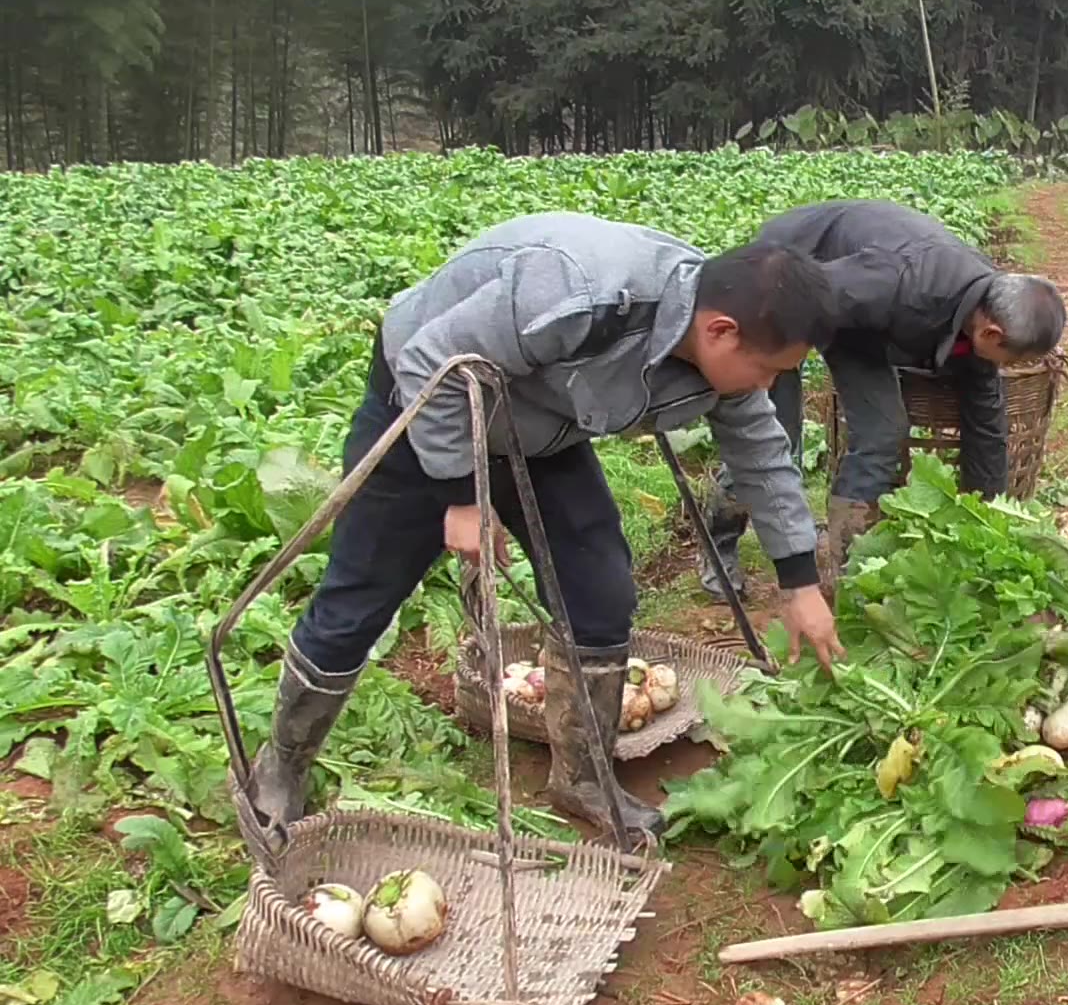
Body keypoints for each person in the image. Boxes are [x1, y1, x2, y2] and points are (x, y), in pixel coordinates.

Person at [246, 212, 846, 847]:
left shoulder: (724, 338)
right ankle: (280, 768)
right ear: (720, 332)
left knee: (600, 591)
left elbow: (759, 450)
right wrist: (462, 499)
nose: (772, 386)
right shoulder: (580, 293)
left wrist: (798, 580)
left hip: (541, 425)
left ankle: (583, 779)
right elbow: (432, 361)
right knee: (362, 591)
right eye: (773, 370)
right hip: (432, 403)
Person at [697, 198, 1068, 599]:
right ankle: (718, 545)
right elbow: (811, 298)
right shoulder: (904, 283)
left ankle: (845, 565)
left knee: (883, 429)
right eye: (1015, 358)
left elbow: (986, 427)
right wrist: (774, 365)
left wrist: (987, 523)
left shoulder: (977, 311)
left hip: (861, 316)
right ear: (992, 335)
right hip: (788, 285)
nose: (1008, 367)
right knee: (773, 431)